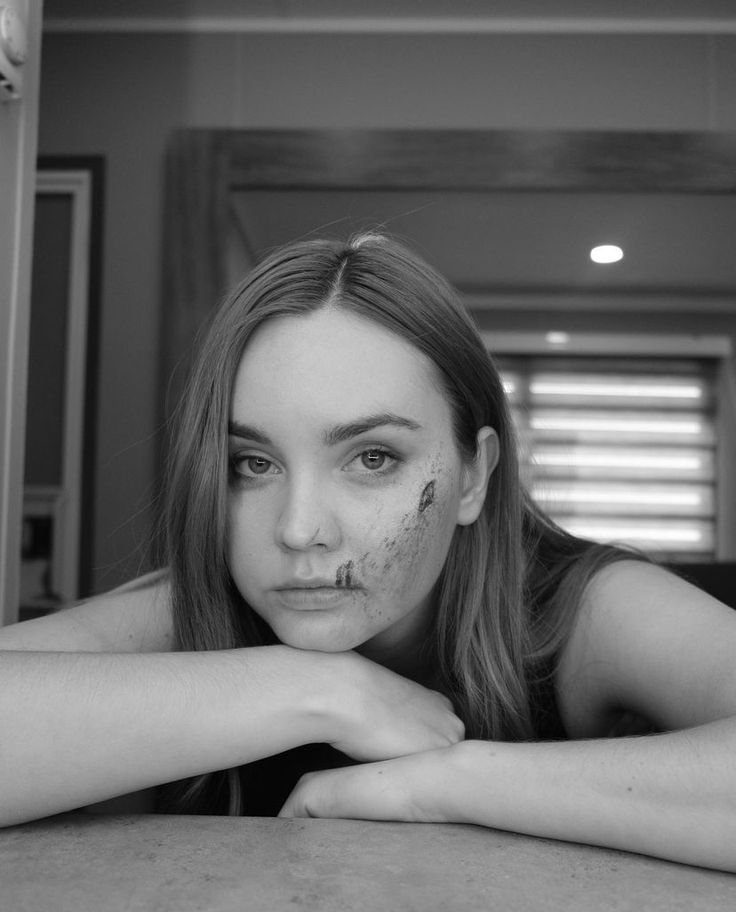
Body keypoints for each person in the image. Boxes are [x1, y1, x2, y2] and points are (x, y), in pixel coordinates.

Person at [1, 234, 735, 872]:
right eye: (252, 465)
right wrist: (315, 692)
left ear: (474, 475)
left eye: (373, 457)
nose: (298, 530)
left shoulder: (580, 607)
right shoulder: (205, 598)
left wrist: (448, 782)